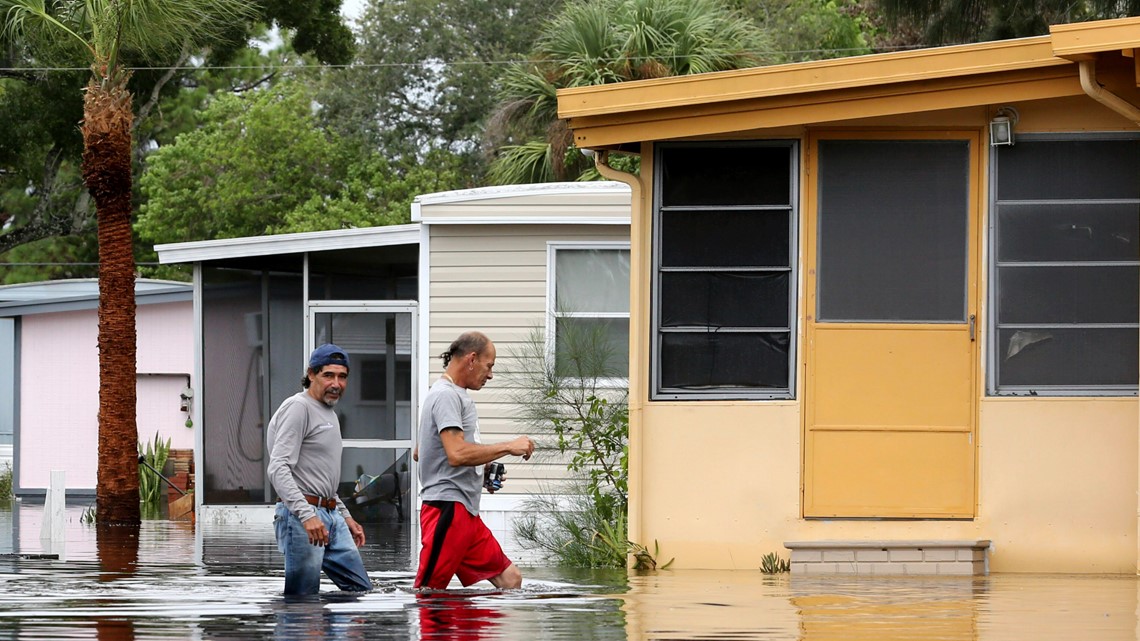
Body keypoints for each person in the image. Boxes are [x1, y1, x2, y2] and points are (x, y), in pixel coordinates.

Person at [414, 331, 535, 590]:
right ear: (471, 359)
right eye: (489, 366)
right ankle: (436, 631)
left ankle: (468, 630)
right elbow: (456, 453)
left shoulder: (454, 395)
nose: (490, 374)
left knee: (510, 579)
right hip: (447, 509)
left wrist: (482, 471)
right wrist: (508, 446)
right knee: (428, 591)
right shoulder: (445, 395)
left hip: (466, 512)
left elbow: (422, 452)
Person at [266, 344, 371, 596]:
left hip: (331, 514)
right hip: (302, 516)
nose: (336, 383)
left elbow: (322, 480)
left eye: (342, 376)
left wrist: (345, 516)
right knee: (302, 598)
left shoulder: (329, 412)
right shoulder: (298, 408)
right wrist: (306, 515)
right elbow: (278, 467)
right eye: (328, 375)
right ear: (311, 374)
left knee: (360, 590)